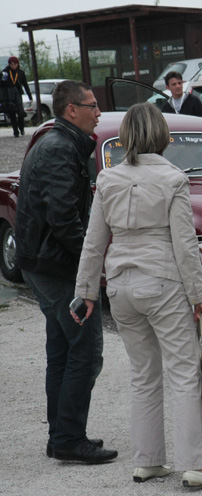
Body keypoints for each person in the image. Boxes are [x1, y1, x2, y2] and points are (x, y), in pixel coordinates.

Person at [72, 102, 202, 488]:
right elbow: (184, 244)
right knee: (182, 373)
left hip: (122, 287)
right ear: (162, 135)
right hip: (163, 283)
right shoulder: (174, 178)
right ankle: (196, 465)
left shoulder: (108, 180)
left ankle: (148, 460)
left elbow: (93, 243)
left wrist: (85, 293)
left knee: (143, 375)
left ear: (126, 136)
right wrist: (200, 295)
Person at [15, 80, 117, 463]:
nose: (98, 112)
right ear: (70, 110)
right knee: (85, 353)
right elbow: (64, 219)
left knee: (61, 351)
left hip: (44, 264)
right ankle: (69, 439)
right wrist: (94, 261)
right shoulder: (58, 148)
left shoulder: (58, 143)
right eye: (92, 105)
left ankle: (60, 435)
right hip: (57, 268)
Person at [2, 56, 33, 137]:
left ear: (17, 64)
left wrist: (30, 96)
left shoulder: (21, 73)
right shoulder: (5, 72)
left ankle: (22, 129)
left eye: (15, 64)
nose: (13, 66)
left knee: (20, 112)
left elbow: (25, 84)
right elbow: (1, 85)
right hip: (9, 95)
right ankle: (15, 131)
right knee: (12, 113)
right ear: (9, 64)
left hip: (18, 94)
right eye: (12, 64)